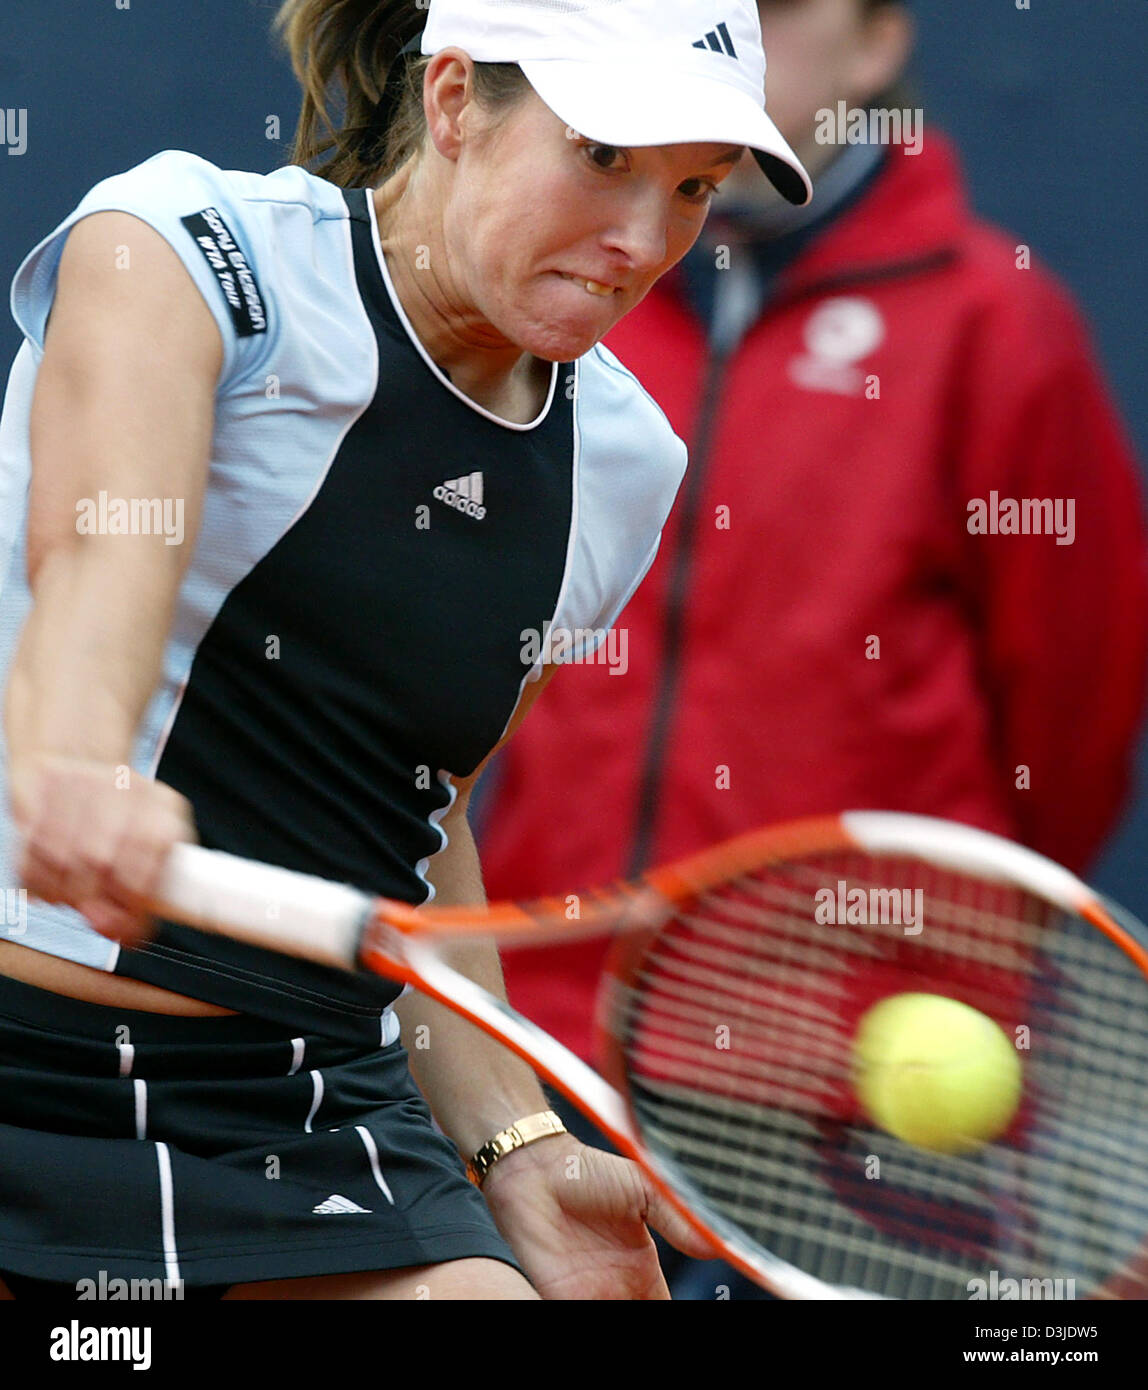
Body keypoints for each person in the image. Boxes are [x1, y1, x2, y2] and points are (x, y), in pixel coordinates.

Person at [0, 0, 813, 1301]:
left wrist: (519, 1141)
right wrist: (79, 765)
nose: (642, 241)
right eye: (604, 156)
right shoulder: (179, 249)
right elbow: (100, 562)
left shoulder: (622, 459)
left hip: (304, 1096)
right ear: (450, 101)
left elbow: (416, 808)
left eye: (693, 188)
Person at [475, 0, 1148, 1208]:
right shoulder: (556, 308)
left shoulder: (997, 325)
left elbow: (1072, 720)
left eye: (774, 11)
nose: (725, 38)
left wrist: (922, 944)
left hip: (862, 1075)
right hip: (540, 1038)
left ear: (877, 43)